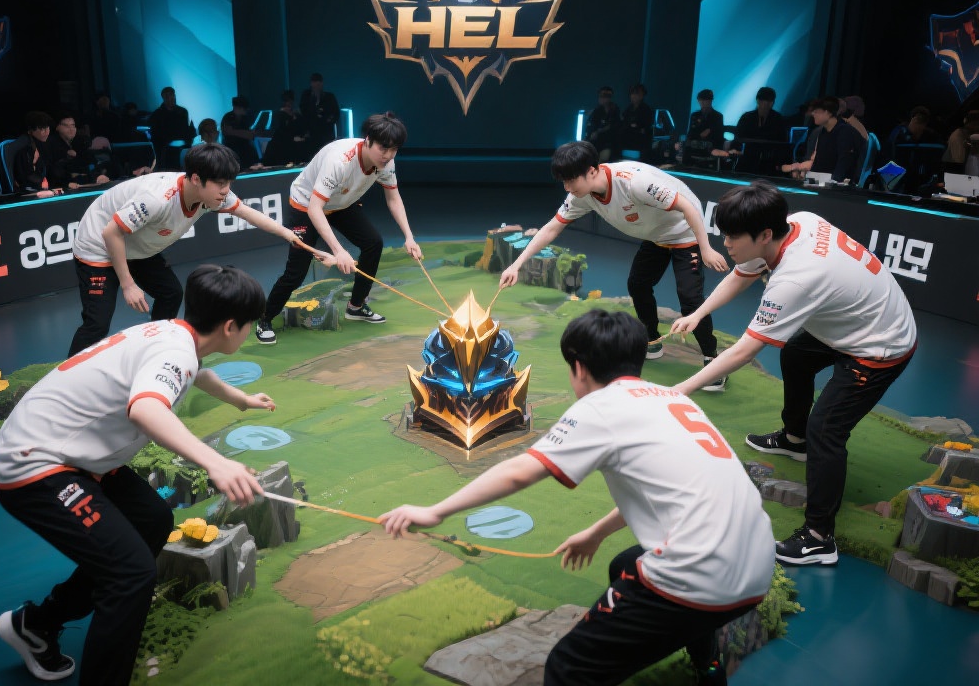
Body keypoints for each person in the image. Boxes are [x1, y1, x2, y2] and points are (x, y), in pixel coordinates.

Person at [381, 309, 775, 686]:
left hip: (701, 575)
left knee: (568, 668)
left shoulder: (599, 408)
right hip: (756, 566)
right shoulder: (673, 399)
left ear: (580, 368)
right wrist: (595, 533)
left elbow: (521, 471)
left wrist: (436, 511)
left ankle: (678, 647)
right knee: (625, 564)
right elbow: (662, 491)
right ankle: (707, 665)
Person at [0, 264, 272, 685]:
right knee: (130, 574)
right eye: (250, 324)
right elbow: (145, 408)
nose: (249, 330)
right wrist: (215, 462)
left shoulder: (176, 334)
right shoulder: (177, 353)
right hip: (35, 463)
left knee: (152, 520)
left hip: (73, 453)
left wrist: (240, 399)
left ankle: (37, 624)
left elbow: (197, 372)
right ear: (231, 327)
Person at [669, 180, 916, 565]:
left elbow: (745, 350)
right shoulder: (798, 221)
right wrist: (699, 313)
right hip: (855, 320)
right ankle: (794, 439)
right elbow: (741, 273)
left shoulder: (796, 277)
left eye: (733, 236)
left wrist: (682, 389)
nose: (725, 243)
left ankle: (819, 538)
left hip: (880, 345)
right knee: (797, 355)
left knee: (827, 430)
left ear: (765, 234)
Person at [499, 141, 730, 390]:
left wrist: (706, 248)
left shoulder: (634, 183)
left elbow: (687, 206)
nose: (567, 188)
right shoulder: (581, 196)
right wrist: (516, 265)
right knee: (638, 284)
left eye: (571, 180)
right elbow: (552, 228)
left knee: (690, 299)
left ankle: (713, 360)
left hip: (685, 231)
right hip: (657, 235)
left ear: (592, 171)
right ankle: (652, 340)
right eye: (563, 181)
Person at [67, 142, 334, 357]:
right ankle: (66, 380)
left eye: (229, 183)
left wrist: (290, 236)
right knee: (97, 323)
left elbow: (248, 213)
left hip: (136, 244)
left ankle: (153, 351)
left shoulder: (212, 194)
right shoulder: (157, 199)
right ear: (196, 178)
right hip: (99, 245)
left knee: (171, 293)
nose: (226, 191)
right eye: (220, 184)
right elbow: (111, 232)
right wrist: (127, 284)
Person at [257, 112, 421, 344]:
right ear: (368, 141)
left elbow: (393, 199)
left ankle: (356, 306)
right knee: (297, 271)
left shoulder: (386, 163)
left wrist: (409, 237)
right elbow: (315, 209)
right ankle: (265, 318)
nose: (388, 155)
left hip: (341, 203)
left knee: (373, 243)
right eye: (383, 148)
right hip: (306, 204)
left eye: (394, 149)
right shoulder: (340, 161)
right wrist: (338, 250)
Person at [781, 97, 860, 183]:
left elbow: (844, 161)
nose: (813, 114)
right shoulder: (822, 132)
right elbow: (819, 162)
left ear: (827, 112)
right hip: (825, 180)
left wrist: (834, 181)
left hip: (841, 183)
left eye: (816, 111)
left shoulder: (845, 131)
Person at [49, 111, 111, 190]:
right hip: (62, 186)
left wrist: (98, 175)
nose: (71, 129)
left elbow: (90, 161)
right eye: (66, 126)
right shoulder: (51, 144)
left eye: (73, 125)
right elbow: (53, 170)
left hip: (83, 184)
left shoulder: (79, 142)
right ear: (57, 127)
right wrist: (67, 182)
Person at [13, 111, 63, 193]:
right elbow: (25, 177)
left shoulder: (43, 145)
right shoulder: (24, 149)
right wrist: (45, 186)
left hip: (42, 189)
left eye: (47, 127)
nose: (46, 131)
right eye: (42, 129)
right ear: (30, 130)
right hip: (29, 193)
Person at [148, 87, 195, 170]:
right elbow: (155, 135)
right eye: (167, 96)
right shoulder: (157, 114)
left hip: (181, 149)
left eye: (172, 95)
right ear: (163, 98)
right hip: (165, 152)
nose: (171, 98)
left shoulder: (183, 112)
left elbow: (188, 129)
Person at [261, 89, 311, 166]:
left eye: (290, 101)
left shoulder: (297, 115)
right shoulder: (279, 115)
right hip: (282, 146)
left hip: (294, 145)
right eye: (287, 101)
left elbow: (301, 129)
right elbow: (280, 131)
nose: (288, 103)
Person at [299, 72, 340, 154]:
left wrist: (328, 119)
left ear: (322, 84)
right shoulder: (306, 96)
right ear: (311, 84)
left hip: (326, 134)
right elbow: (304, 112)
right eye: (315, 84)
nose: (316, 87)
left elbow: (336, 114)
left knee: (326, 154)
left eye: (318, 84)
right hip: (311, 134)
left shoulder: (329, 97)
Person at [683, 89, 724, 165]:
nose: (702, 102)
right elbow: (691, 133)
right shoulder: (695, 115)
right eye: (700, 100)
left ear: (710, 101)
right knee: (685, 145)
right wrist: (700, 135)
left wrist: (708, 132)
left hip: (711, 146)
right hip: (695, 144)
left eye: (704, 100)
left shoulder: (718, 116)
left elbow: (718, 136)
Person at [584, 86, 621, 163]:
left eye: (604, 96)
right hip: (596, 142)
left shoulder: (615, 110)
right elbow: (590, 128)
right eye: (600, 96)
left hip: (610, 142)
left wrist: (599, 131)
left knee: (604, 157)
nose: (601, 98)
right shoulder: (596, 111)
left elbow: (614, 126)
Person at [220, 95, 258, 168]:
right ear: (238, 107)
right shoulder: (228, 117)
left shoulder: (244, 118)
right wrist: (246, 133)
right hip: (233, 151)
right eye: (245, 108)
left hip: (245, 150)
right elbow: (227, 132)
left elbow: (250, 135)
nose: (247, 110)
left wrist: (235, 132)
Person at [619, 83, 654, 160]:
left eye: (637, 93)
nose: (634, 96)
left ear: (642, 96)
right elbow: (624, 123)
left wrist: (636, 127)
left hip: (640, 145)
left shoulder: (646, 109)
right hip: (627, 142)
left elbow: (645, 127)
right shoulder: (628, 109)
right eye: (632, 93)